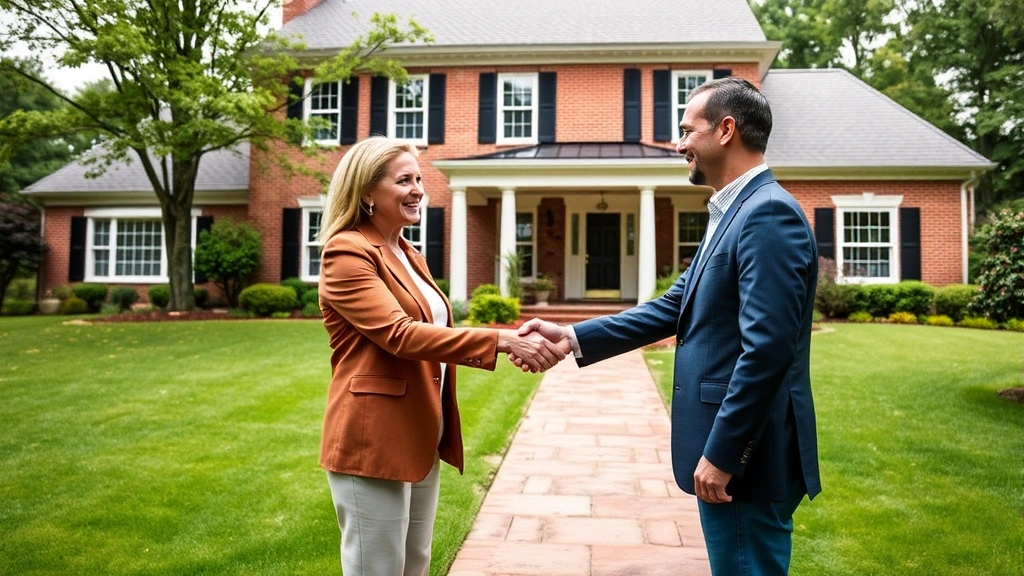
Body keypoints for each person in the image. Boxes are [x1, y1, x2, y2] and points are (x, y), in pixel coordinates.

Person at [518, 77, 820, 575]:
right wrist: (572, 336)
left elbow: (767, 351)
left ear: (726, 131)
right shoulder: (734, 211)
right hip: (739, 454)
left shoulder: (765, 215)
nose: (679, 145)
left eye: (687, 131)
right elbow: (673, 305)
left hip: (747, 458)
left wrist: (724, 454)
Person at [316, 136, 566, 576]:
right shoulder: (347, 250)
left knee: (415, 563)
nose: (418, 190)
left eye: (419, 179)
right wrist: (503, 341)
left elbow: (435, 332)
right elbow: (399, 334)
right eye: (404, 180)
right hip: (372, 437)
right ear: (368, 191)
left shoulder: (409, 254)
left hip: (421, 428)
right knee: (377, 567)